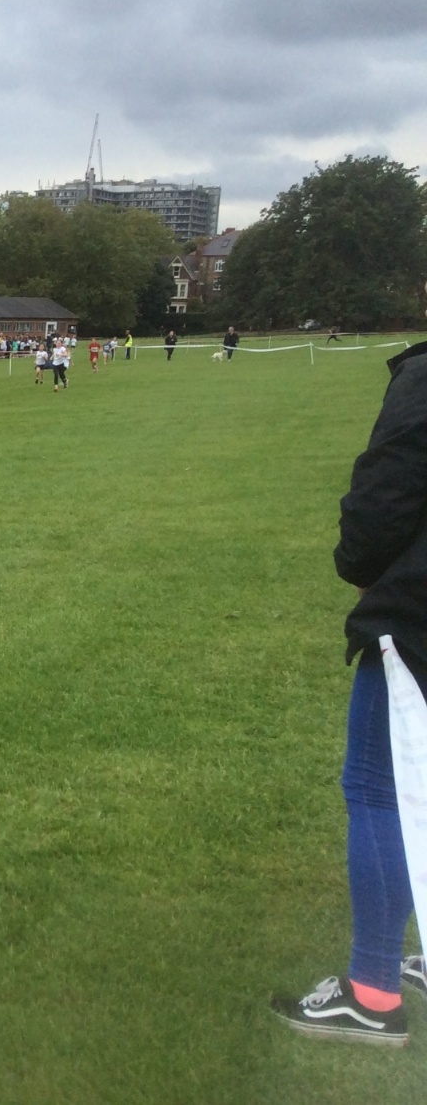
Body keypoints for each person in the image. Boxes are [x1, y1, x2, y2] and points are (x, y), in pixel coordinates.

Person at [272, 339, 427, 1044]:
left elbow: (381, 503)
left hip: (417, 619)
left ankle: (372, 992)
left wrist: (362, 568)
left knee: (376, 786)